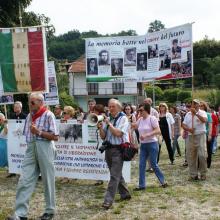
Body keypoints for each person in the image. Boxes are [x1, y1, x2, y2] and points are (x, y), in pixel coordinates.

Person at [7, 92, 59, 220]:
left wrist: (39, 132)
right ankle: (20, 214)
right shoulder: (29, 116)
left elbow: (55, 137)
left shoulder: (48, 115)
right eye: (29, 102)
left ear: (41, 102)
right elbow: (26, 134)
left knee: (48, 179)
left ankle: (50, 211)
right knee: (24, 179)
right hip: (31, 147)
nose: (29, 104)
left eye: (32, 102)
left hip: (45, 146)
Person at [97, 98, 131, 209]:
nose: (110, 109)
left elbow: (118, 133)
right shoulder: (109, 118)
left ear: (119, 107)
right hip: (108, 149)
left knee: (114, 176)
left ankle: (108, 201)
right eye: (109, 106)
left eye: (113, 106)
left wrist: (109, 124)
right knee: (116, 174)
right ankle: (125, 194)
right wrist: (100, 128)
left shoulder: (123, 119)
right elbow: (103, 136)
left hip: (118, 150)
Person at [132, 103, 167, 190]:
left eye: (141, 110)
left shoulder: (152, 118)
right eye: (138, 110)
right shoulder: (140, 119)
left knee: (153, 164)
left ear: (146, 110)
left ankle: (163, 181)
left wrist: (147, 135)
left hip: (152, 144)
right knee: (141, 165)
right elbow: (134, 126)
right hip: (143, 145)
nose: (139, 112)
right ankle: (142, 185)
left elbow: (158, 130)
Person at [182, 99, 207, 181]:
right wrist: (189, 129)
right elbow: (183, 125)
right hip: (190, 136)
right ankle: (193, 175)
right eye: (193, 103)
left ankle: (203, 174)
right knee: (191, 156)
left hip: (200, 135)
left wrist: (196, 113)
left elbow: (204, 120)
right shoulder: (188, 114)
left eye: (196, 103)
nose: (194, 105)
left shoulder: (202, 112)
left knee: (202, 155)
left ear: (199, 105)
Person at [199, 101, 212, 168]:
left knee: (207, 149)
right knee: (199, 150)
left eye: (202, 106)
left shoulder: (208, 114)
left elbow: (210, 125)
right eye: (199, 106)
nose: (200, 107)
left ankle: (208, 164)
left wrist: (209, 134)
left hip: (206, 134)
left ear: (205, 107)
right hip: (198, 135)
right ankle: (199, 164)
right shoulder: (196, 114)